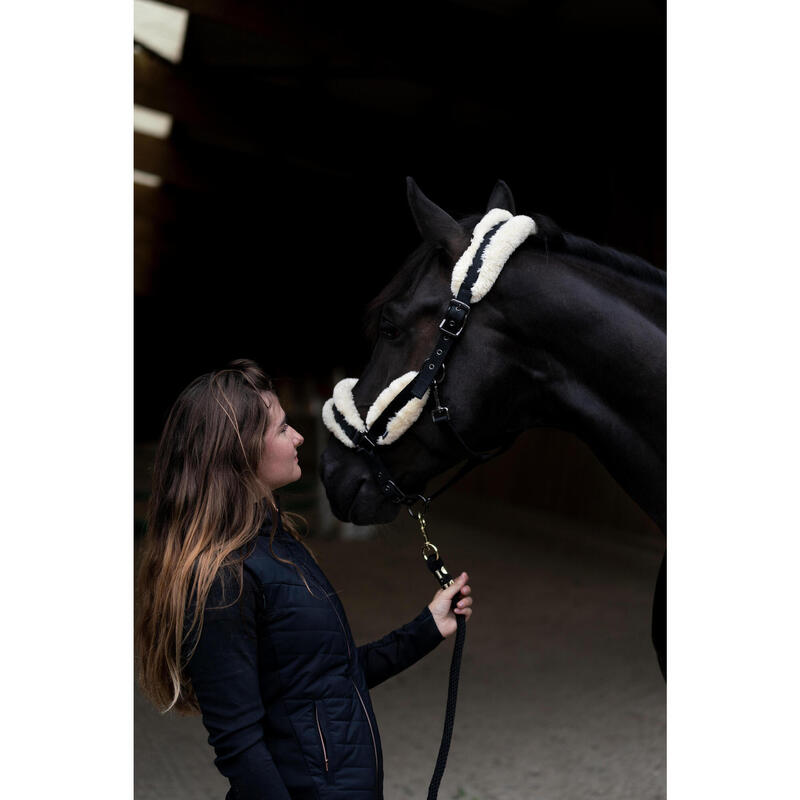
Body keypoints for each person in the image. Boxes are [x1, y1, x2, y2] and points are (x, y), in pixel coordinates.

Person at [135, 359, 473, 800]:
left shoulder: (278, 544)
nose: (298, 437)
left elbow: (329, 677)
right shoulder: (221, 578)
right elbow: (239, 745)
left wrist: (427, 628)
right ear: (238, 452)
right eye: (280, 429)